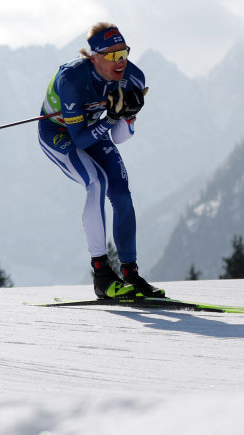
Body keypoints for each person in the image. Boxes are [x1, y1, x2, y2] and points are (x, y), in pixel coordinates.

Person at [37, 23, 164, 299]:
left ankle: (131, 273)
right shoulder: (71, 79)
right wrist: (109, 118)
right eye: (112, 56)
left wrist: (127, 116)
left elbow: (119, 138)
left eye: (124, 54)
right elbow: (80, 140)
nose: (121, 62)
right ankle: (102, 276)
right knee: (96, 183)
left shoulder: (134, 77)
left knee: (121, 193)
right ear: (94, 57)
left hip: (95, 129)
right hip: (60, 133)